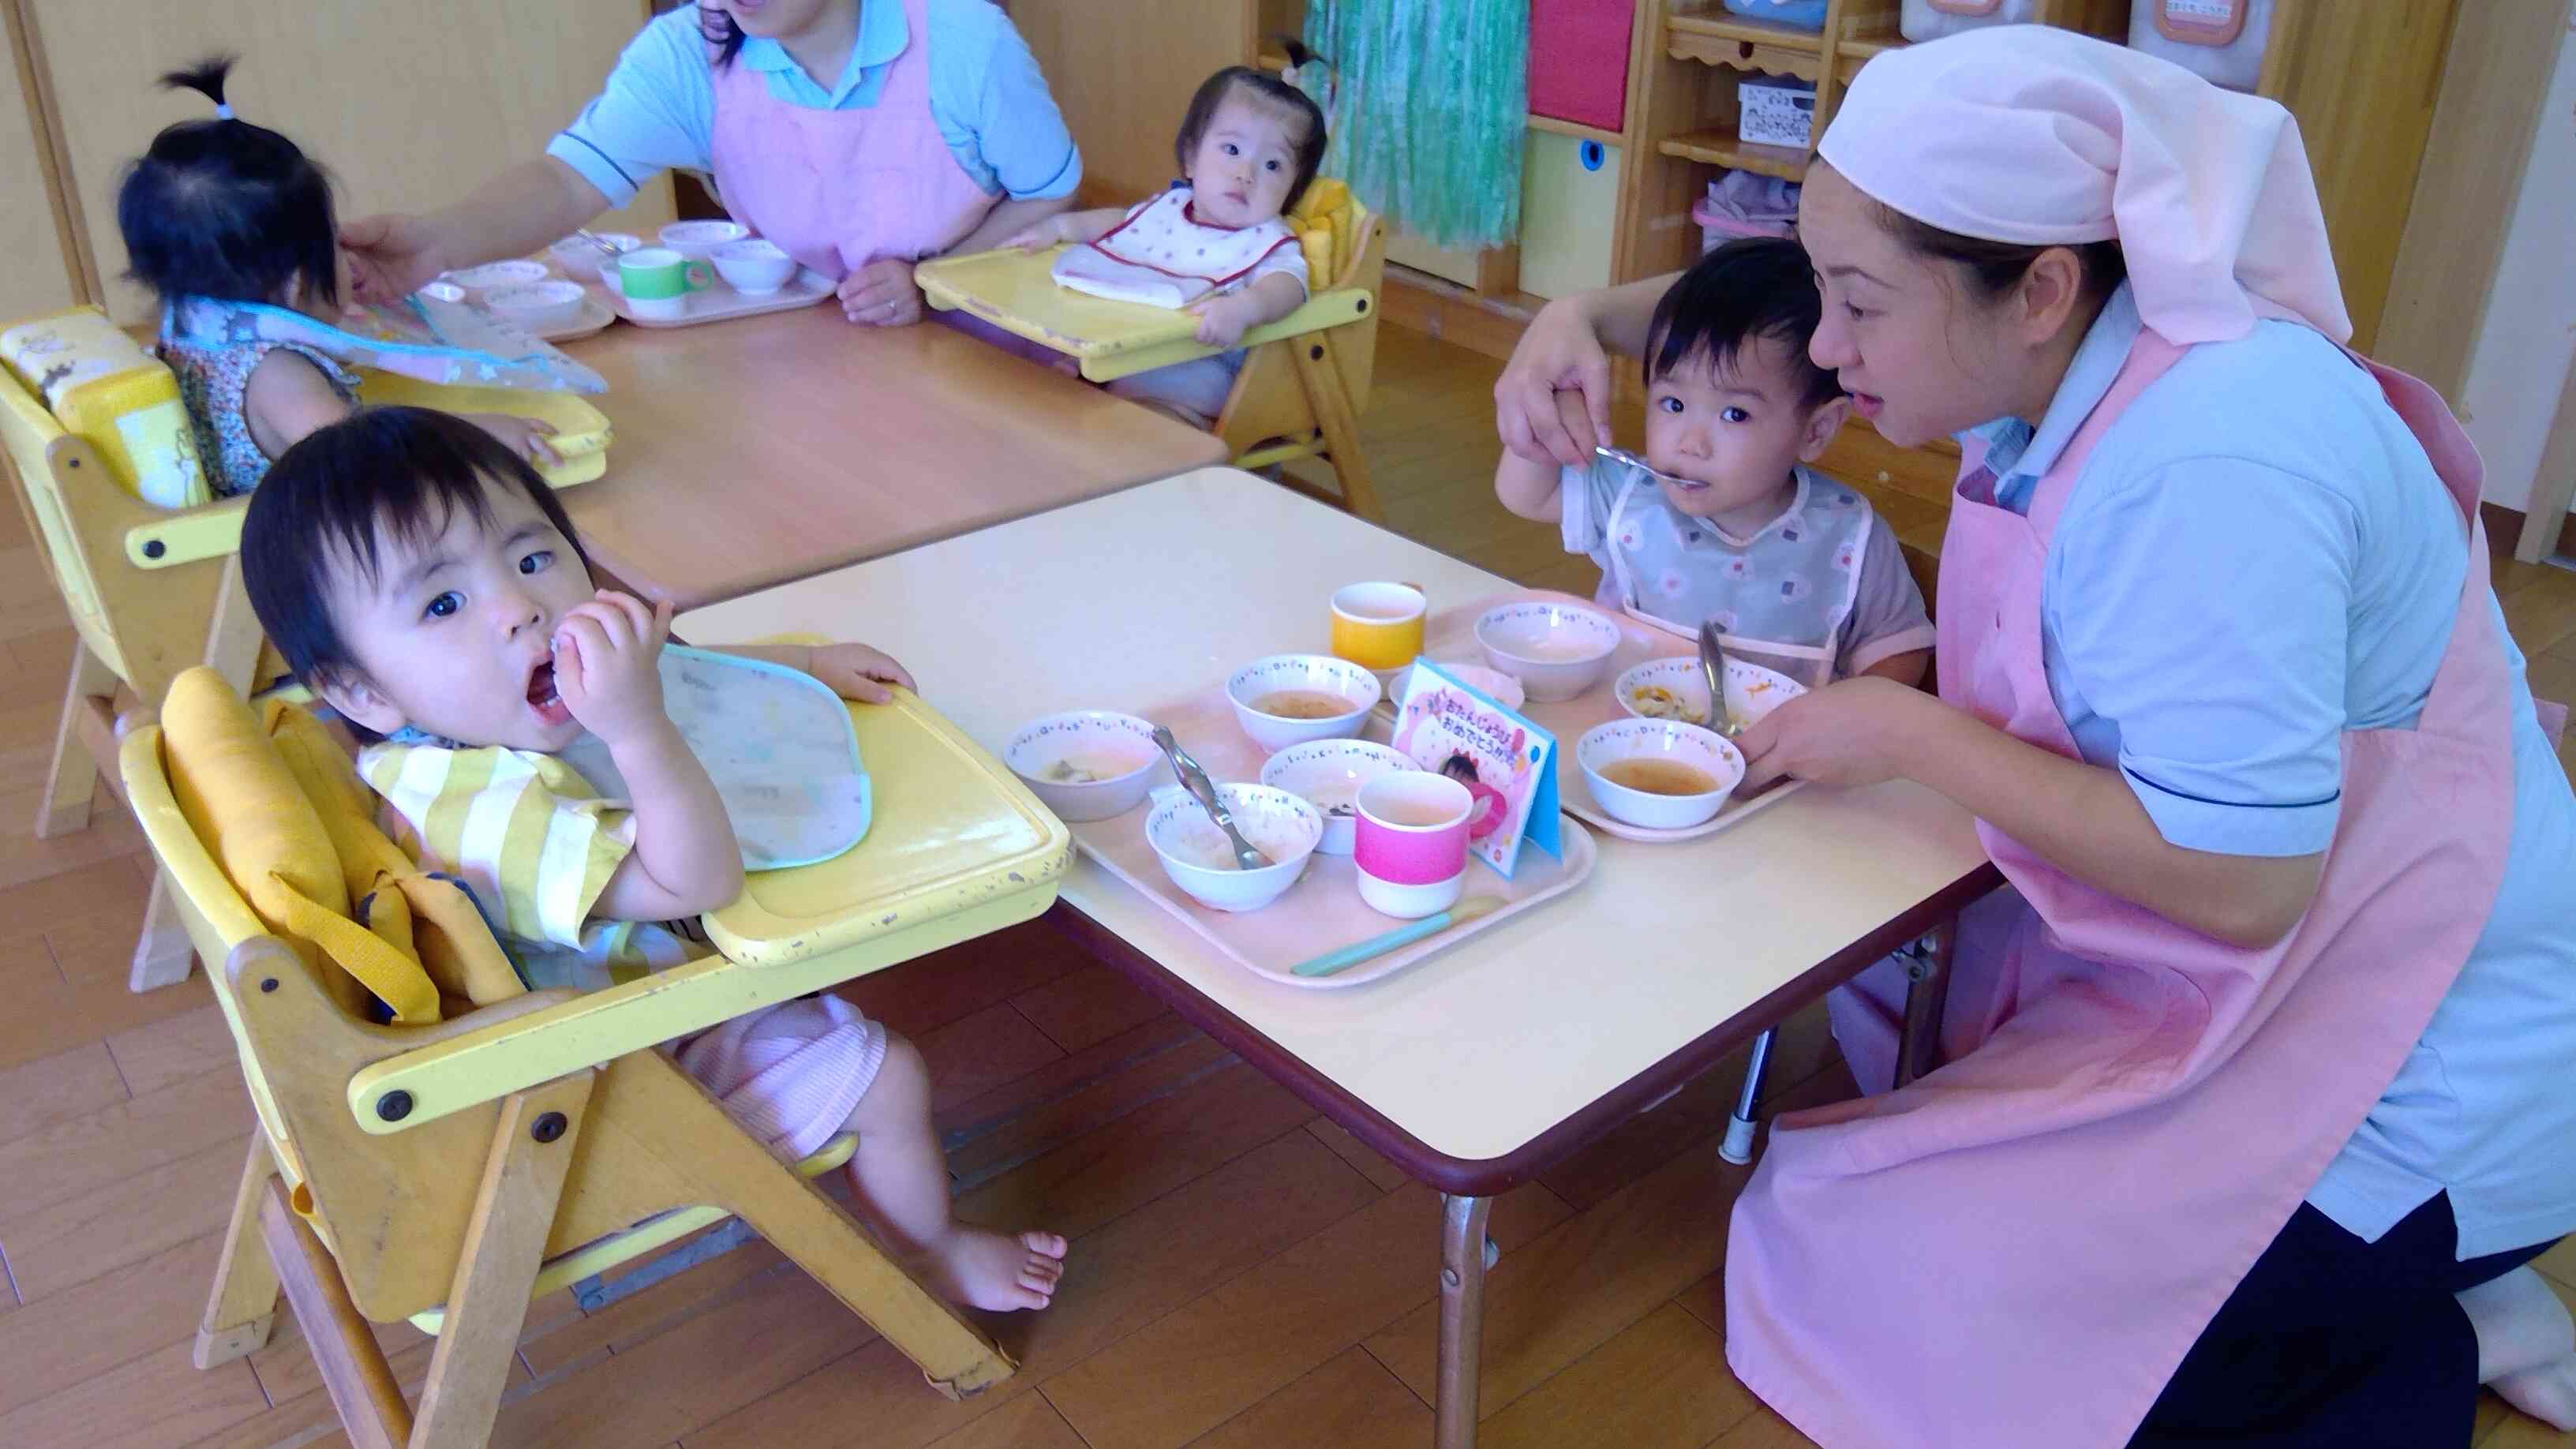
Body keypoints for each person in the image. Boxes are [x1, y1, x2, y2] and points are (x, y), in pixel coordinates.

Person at [1494, 26, 2575, 1448]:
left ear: (2040, 287)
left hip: (2404, 1057)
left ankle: (2429, 1298)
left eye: (1857, 311)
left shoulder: (2214, 460)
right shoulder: (2086, 342)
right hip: (2266, 954)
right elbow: (1785, 303)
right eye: (1821, 294)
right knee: (1890, 1033)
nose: (1823, 347)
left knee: (1871, 1269)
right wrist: (1584, 311)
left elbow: (2245, 880)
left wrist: (1902, 726)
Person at [238, 406, 1069, 1313]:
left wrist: (803, 664)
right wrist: (635, 726)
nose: (520, 607)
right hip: (627, 1063)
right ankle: (936, 1251)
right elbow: (697, 882)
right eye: (443, 604)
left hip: (651, 979)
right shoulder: (486, 819)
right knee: (886, 1072)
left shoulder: (467, 721)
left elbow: (677, 670)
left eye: (531, 556)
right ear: (361, 689)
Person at [338, 0, 1080, 335]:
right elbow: (568, 181)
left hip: (992, 333)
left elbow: (1050, 195)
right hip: (834, 338)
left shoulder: (963, 38)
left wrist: (932, 280)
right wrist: (432, 244)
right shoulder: (686, 53)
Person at [1492, 237, 1930, 689]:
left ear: (1816, 430)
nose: (1691, 444)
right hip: (1630, 741)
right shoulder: (1631, 495)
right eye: (1673, 403)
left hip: (1782, 757)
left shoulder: (1848, 533)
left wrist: (1851, 718)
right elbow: (1523, 494)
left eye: (1734, 414)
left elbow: (1899, 646)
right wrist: (1549, 421)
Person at [118, 58, 552, 496]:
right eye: (336, 245)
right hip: (299, 543)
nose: (350, 256)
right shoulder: (279, 374)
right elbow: (366, 457)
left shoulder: (191, 327)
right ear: (299, 283)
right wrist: (476, 436)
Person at [1003, 64, 1325, 426]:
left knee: (1158, 411)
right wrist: (1060, 226)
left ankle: (1155, 444)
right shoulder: (1168, 209)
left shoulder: (1267, 240)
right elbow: (1121, 223)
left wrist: (1245, 308)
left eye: (1272, 165)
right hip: (1126, 347)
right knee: (1043, 377)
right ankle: (1087, 409)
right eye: (1232, 149)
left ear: (1292, 190)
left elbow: (1289, 286)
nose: (1245, 173)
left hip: (1199, 364)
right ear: (1191, 158)